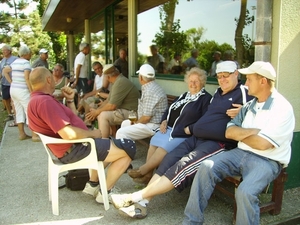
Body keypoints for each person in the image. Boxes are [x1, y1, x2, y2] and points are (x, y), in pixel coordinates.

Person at [109, 61, 253, 219]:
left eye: (226, 76)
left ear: (236, 74)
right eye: (219, 76)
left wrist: (246, 110)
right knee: (169, 158)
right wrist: (192, 129)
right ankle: (144, 202)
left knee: (183, 165)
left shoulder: (244, 92)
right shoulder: (218, 93)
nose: (222, 79)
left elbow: (262, 112)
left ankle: (134, 197)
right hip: (197, 137)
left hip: (218, 143)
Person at [182, 61, 295, 225]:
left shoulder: (282, 108)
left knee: (245, 191)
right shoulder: (249, 105)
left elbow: (263, 145)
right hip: (240, 153)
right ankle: (192, 221)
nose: (246, 83)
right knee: (206, 167)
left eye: (249, 79)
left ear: (263, 81)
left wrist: (241, 134)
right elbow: (229, 132)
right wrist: (254, 132)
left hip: (267, 161)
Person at [27, 66, 137, 204]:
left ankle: (92, 185)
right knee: (128, 147)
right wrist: (92, 134)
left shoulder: (36, 100)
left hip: (72, 148)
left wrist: (70, 101)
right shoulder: (45, 102)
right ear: (49, 80)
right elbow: (68, 133)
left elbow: (71, 121)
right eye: (52, 77)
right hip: (76, 149)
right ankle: (105, 192)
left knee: (110, 144)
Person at [127, 67, 212, 184]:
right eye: (190, 81)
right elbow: (169, 109)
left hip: (183, 134)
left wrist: (190, 129)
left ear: (202, 82)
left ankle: (143, 170)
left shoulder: (205, 99)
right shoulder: (184, 96)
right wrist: (164, 121)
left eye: (196, 81)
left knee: (164, 146)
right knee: (153, 142)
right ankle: (147, 176)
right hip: (169, 129)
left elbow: (205, 120)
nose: (192, 84)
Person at [115, 64, 168, 142]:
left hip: (153, 126)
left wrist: (137, 123)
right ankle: (129, 148)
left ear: (140, 77)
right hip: (150, 123)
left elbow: (146, 117)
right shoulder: (151, 87)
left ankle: (123, 153)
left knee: (121, 133)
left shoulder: (150, 91)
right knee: (125, 123)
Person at [85, 64, 140, 138]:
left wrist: (97, 112)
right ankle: (108, 136)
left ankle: (104, 143)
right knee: (100, 112)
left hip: (132, 113)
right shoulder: (118, 81)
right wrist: (97, 110)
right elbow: (108, 101)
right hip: (126, 110)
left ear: (108, 77)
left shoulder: (120, 82)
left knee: (103, 115)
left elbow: (112, 106)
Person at [2, 46, 40, 142]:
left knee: (18, 111)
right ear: (26, 54)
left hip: (14, 89)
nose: (31, 54)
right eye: (30, 53)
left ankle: (22, 134)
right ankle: (34, 135)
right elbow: (27, 78)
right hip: (23, 90)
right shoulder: (26, 63)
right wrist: (32, 91)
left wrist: (12, 82)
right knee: (30, 111)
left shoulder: (14, 62)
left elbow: (4, 71)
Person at [0, 44, 18, 123]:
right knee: (5, 98)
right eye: (2, 50)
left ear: (9, 51)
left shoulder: (15, 59)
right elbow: (1, 72)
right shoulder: (2, 61)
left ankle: (16, 115)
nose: (3, 52)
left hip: (13, 82)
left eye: (5, 50)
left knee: (13, 99)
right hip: (4, 83)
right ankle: (9, 114)